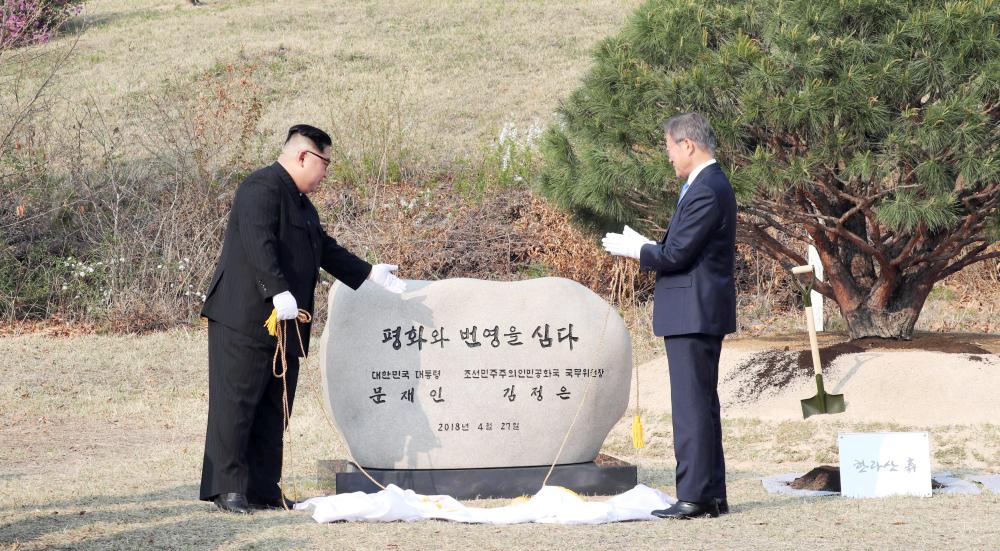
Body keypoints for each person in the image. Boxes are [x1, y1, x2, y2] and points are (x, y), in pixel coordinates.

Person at [199, 124, 406, 514]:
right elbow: (258, 241)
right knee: (237, 401)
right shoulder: (259, 188)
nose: (326, 172)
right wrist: (277, 290)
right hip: (245, 316)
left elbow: (323, 248)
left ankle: (263, 488)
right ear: (303, 156)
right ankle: (228, 488)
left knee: (276, 406)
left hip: (287, 321)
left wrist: (367, 272)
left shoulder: (301, 203)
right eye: (325, 162)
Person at [602, 112, 736, 519]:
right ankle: (710, 494)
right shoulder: (704, 185)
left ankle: (694, 495)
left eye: (669, 149)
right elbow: (682, 245)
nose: (669, 158)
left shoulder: (707, 189)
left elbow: (677, 254)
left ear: (687, 145)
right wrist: (646, 244)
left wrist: (637, 250)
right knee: (701, 405)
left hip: (692, 311)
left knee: (692, 407)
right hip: (695, 310)